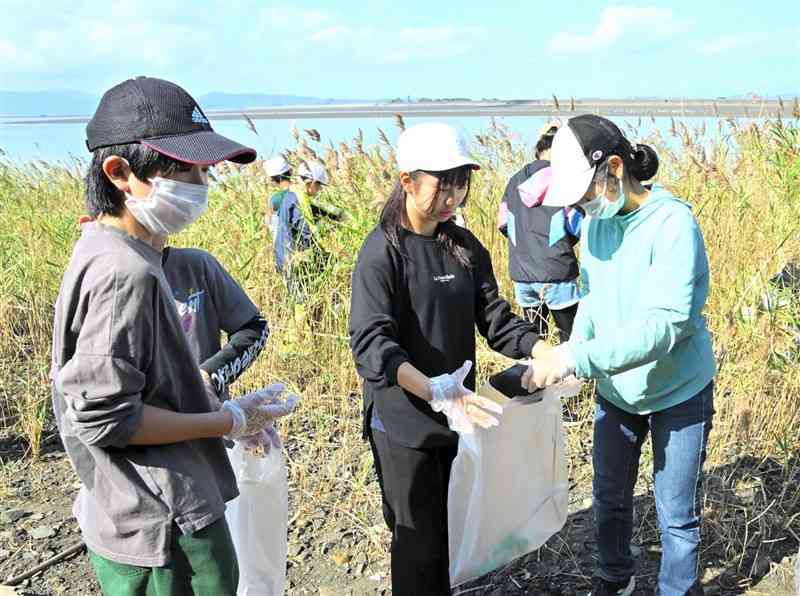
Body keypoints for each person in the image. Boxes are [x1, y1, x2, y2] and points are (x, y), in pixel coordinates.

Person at [50, 76, 288, 595]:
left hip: (160, 505)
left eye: (204, 171)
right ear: (120, 172)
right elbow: (106, 418)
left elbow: (137, 387)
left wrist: (210, 395)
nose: (200, 185)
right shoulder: (123, 271)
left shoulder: (123, 253)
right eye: (183, 170)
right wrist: (228, 420)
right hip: (163, 522)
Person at [525, 114, 716, 596]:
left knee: (677, 516)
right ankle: (615, 579)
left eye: (586, 193)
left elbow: (666, 324)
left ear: (613, 167)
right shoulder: (595, 226)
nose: (583, 205)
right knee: (609, 499)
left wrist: (579, 359)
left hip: (677, 390)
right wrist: (572, 347)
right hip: (616, 391)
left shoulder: (673, 224)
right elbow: (590, 297)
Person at [349, 122, 543, 596]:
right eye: (442, 181)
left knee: (449, 532)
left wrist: (542, 350)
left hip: (456, 414)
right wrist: (432, 388)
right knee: (417, 548)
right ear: (407, 181)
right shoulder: (382, 253)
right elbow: (372, 342)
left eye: (461, 181)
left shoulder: (463, 246)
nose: (452, 194)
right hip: (403, 423)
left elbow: (493, 316)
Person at [497, 122, 582, 343]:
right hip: (557, 271)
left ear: (538, 151)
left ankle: (536, 377)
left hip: (522, 273)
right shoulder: (564, 179)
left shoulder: (514, 180)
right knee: (571, 340)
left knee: (535, 343)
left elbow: (503, 223)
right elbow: (576, 224)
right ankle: (577, 378)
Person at [264, 155, 295, 237]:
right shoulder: (304, 190)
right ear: (290, 172)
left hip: (286, 242)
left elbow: (269, 224)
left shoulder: (275, 199)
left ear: (271, 179)